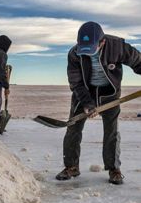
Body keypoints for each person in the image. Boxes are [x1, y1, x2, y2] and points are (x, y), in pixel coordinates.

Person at [56, 21, 141, 185]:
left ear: (102, 42)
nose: (87, 53)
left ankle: (114, 169)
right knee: (73, 129)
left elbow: (138, 62)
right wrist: (87, 103)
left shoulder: (117, 46)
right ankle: (71, 167)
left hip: (110, 94)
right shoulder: (74, 53)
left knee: (112, 132)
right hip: (84, 94)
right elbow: (76, 83)